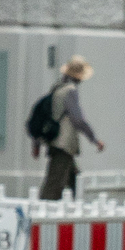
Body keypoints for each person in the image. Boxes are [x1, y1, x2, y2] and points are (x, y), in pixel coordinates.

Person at [29, 55, 104, 201]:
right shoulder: (70, 91)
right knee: (54, 185)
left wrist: (36, 143)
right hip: (64, 144)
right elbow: (78, 120)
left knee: (75, 180)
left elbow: (44, 115)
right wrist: (94, 139)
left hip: (55, 141)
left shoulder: (57, 88)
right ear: (79, 77)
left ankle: (79, 207)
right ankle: (40, 214)